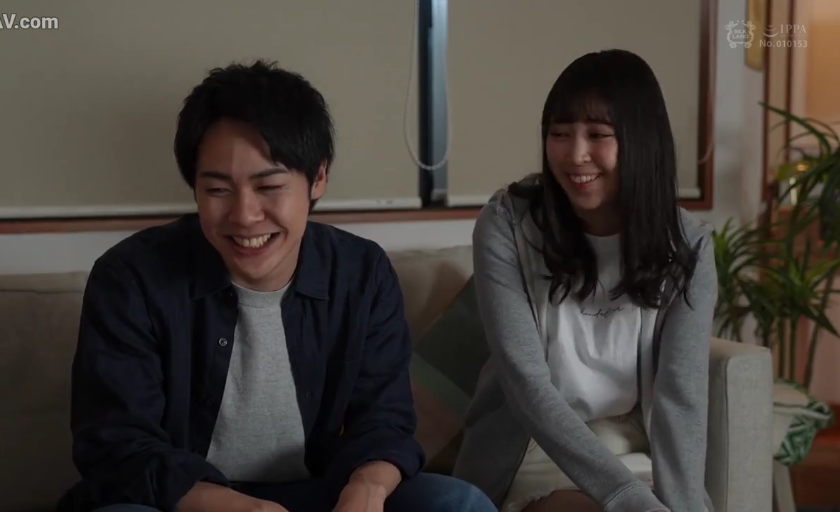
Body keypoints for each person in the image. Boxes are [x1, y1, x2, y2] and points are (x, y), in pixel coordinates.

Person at [56, 60, 495, 512]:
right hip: (184, 502)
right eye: (218, 190)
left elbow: (385, 421)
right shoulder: (131, 277)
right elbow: (117, 444)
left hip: (320, 494)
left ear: (318, 178)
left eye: (268, 187)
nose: (245, 216)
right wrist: (243, 508)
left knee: (456, 502)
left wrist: (367, 488)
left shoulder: (361, 273)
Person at [451, 49, 718, 512]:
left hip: (637, 444)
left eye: (598, 135)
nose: (575, 155)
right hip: (536, 445)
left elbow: (681, 398)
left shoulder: (687, 247)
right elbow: (526, 384)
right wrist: (626, 498)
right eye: (559, 133)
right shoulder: (507, 226)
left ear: (641, 141)